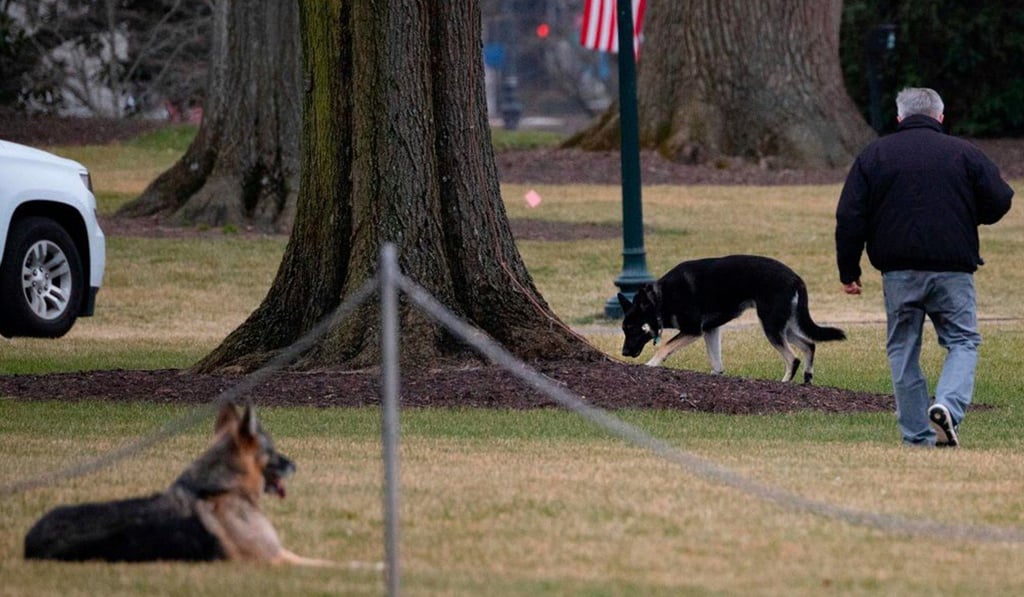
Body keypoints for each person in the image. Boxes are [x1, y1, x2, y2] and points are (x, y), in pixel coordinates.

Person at [835, 87, 1013, 447]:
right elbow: (1000, 199)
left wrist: (848, 271)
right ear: (940, 117)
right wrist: (966, 215)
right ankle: (948, 404)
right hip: (953, 269)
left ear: (899, 118)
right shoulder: (964, 153)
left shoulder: (875, 155)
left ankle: (917, 437)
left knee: (903, 347)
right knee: (962, 340)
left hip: (898, 271)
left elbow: (850, 216)